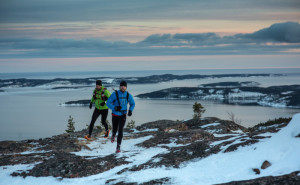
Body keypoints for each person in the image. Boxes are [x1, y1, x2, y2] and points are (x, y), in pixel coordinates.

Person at [107, 81, 135, 153]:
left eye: (124, 86)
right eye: (121, 86)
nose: (123, 87)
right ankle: (113, 135)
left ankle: (118, 147)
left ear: (126, 87)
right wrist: (115, 108)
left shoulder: (128, 95)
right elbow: (108, 103)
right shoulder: (115, 94)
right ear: (120, 87)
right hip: (115, 115)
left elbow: (132, 104)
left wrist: (130, 110)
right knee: (115, 128)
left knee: (121, 130)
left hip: (123, 115)